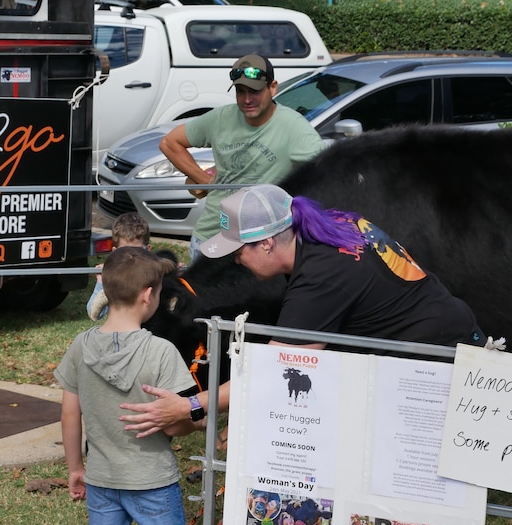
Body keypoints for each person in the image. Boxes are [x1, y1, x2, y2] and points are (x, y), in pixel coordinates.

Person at [118, 184, 484, 436]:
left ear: (265, 244)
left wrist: (191, 408)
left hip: (438, 365)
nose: (236, 261)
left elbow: (275, 373)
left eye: (238, 250)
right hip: (443, 339)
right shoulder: (333, 225)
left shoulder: (320, 279)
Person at [56, 247, 201, 525]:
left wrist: (76, 467)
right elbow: (175, 424)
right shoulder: (161, 351)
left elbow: (69, 414)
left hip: (102, 479)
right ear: (149, 295)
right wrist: (197, 422)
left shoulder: (80, 345)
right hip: (153, 480)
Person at [159, 54, 325, 261]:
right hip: (210, 237)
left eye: (254, 91)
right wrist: (204, 180)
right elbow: (169, 142)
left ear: (272, 88)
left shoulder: (293, 127)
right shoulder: (220, 118)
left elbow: (327, 167)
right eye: (240, 91)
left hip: (259, 245)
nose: (247, 99)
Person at [86, 212, 151, 321]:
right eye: (124, 251)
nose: (131, 257)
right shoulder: (114, 278)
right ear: (114, 253)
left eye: (137, 251)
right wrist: (102, 283)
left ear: (147, 250)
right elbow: (95, 314)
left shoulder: (153, 273)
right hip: (121, 333)